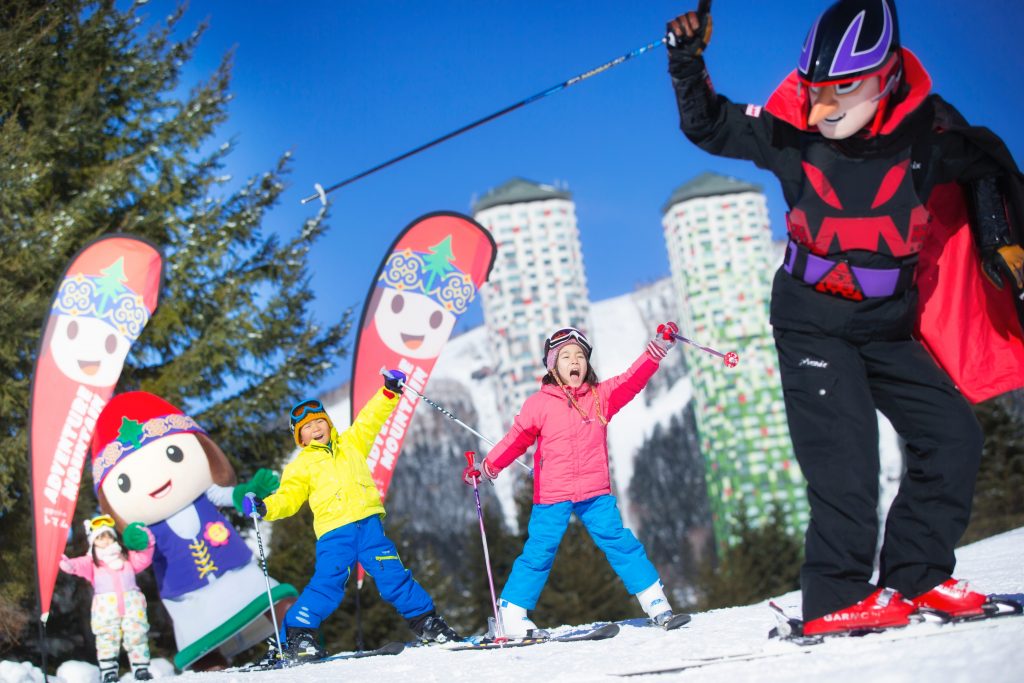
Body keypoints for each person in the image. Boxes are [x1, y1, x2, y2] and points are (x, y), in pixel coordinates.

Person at [665, 0, 1024, 636]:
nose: (823, 107)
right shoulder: (790, 132)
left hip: (887, 325)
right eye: (816, 89)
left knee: (951, 437)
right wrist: (686, 62)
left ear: (885, 77)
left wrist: (1000, 237)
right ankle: (834, 598)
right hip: (812, 323)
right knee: (845, 460)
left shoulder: (929, 134)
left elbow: (987, 166)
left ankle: (917, 577)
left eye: (843, 90)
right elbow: (711, 127)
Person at [474, 324, 685, 637]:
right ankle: (512, 614)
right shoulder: (540, 404)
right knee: (540, 552)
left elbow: (632, 379)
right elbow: (516, 440)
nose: (575, 362)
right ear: (553, 366)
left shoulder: (601, 397)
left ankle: (655, 601)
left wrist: (657, 349)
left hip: (595, 492)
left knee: (620, 542)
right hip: (552, 494)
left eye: (580, 356)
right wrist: (488, 467)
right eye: (566, 357)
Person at [242, 370, 461, 663]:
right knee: (328, 584)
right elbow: (289, 498)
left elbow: (371, 419)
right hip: (335, 534)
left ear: (329, 424)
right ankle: (298, 634)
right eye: (307, 427)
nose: (316, 427)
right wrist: (265, 507)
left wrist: (388, 392)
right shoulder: (301, 466)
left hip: (370, 528)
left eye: (320, 421)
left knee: (394, 576)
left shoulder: (352, 444)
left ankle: (427, 623)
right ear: (300, 437)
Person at [59, 515, 156, 682]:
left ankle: (141, 668)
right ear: (93, 541)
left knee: (136, 636)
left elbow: (144, 557)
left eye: (108, 536)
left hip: (132, 605)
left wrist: (146, 541)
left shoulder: (126, 557)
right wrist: (68, 564)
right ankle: (108, 671)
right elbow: (77, 565)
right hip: (106, 610)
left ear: (113, 537)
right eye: (100, 538)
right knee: (106, 639)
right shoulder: (91, 562)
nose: (105, 541)